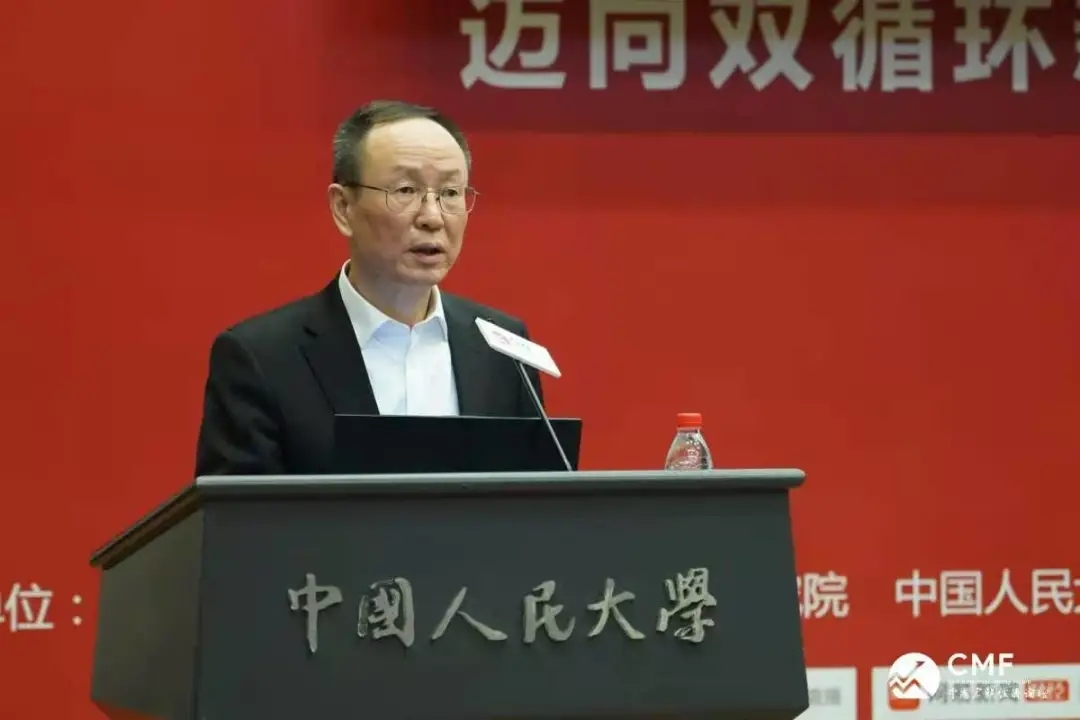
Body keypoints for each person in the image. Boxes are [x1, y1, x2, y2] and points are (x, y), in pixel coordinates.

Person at [193, 100, 543, 476]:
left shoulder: (501, 350)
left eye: (450, 193)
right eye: (405, 190)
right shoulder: (262, 358)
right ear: (343, 207)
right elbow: (241, 511)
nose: (433, 217)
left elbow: (533, 501)